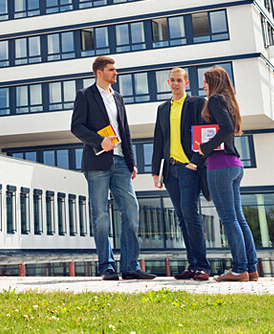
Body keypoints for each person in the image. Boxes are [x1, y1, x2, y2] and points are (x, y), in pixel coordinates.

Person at [69, 56, 155, 281]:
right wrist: (100, 141)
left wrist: (131, 160)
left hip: (121, 162)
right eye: (111, 70)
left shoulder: (118, 98)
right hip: (97, 163)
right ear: (99, 72)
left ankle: (129, 266)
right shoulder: (85, 95)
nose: (116, 73)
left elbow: (125, 130)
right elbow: (76, 127)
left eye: (115, 69)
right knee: (100, 215)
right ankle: (107, 266)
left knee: (131, 210)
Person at [193, 66, 258, 282]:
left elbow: (227, 128)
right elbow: (228, 127)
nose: (203, 86)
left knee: (229, 219)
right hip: (234, 165)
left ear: (213, 82)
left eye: (205, 81)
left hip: (220, 166)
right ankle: (251, 268)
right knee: (238, 218)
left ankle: (239, 269)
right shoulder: (229, 101)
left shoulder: (215, 100)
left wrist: (204, 148)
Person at [151, 67, 212, 281]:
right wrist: (155, 171)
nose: (175, 84)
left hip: (189, 168)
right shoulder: (163, 108)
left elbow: (204, 135)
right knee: (182, 217)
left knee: (190, 214)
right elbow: (158, 140)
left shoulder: (197, 104)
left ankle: (202, 266)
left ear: (186, 83)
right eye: (172, 80)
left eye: (179, 80)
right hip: (170, 170)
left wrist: (196, 162)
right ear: (168, 82)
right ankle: (193, 265)